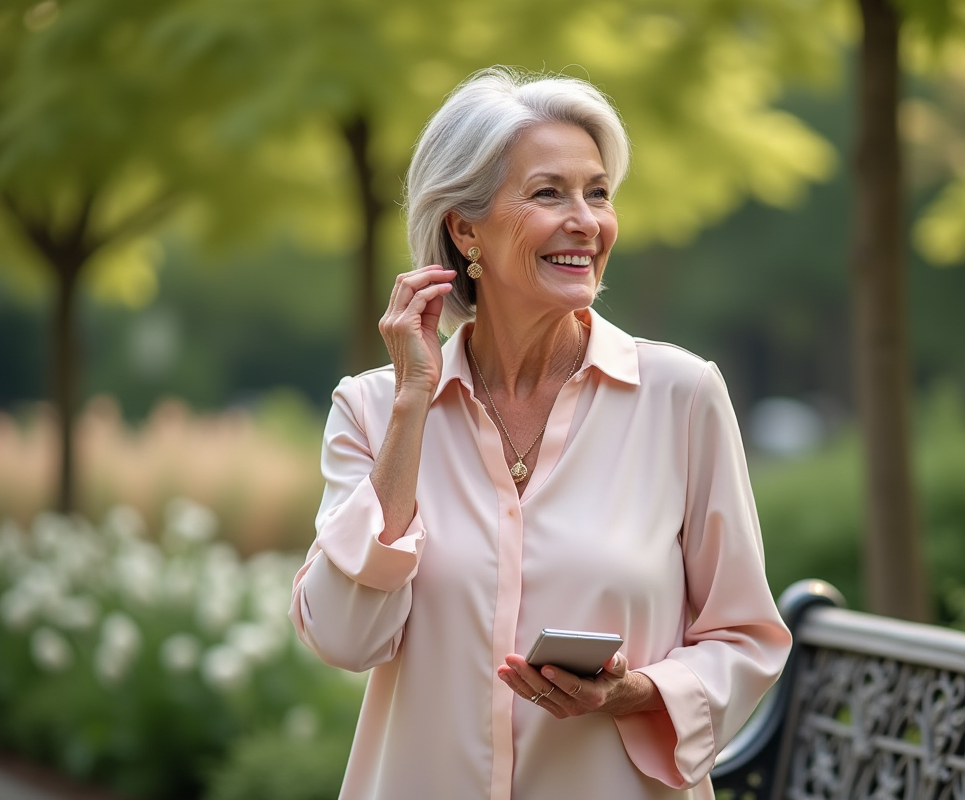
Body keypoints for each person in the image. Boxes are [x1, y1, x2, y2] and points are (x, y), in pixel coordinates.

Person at [289, 67, 791, 800]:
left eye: (598, 192)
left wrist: (636, 693)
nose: (586, 220)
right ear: (466, 229)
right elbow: (343, 637)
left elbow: (746, 636)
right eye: (550, 193)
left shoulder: (682, 397)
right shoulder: (373, 409)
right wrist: (414, 403)